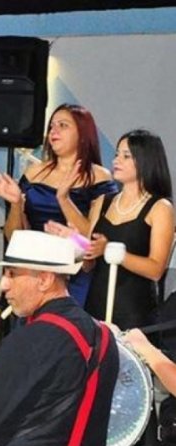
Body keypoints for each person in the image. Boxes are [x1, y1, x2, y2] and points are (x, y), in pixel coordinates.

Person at [0, 230, 119, 446]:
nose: (3, 285)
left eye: (12, 273)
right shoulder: (103, 336)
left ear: (45, 280)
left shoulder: (30, 339)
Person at [0, 103, 118, 304]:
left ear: (82, 134)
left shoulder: (99, 177)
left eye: (63, 125)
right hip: (33, 270)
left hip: (76, 272)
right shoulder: (33, 173)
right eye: (51, 126)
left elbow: (92, 238)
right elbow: (14, 237)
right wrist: (16, 204)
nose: (53, 131)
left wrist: (64, 199)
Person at [83, 130, 174, 329]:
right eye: (117, 154)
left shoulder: (160, 208)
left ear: (145, 161)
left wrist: (111, 251)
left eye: (126, 156)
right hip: (95, 306)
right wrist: (77, 243)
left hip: (134, 313)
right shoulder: (102, 202)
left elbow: (156, 270)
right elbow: (87, 264)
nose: (116, 160)